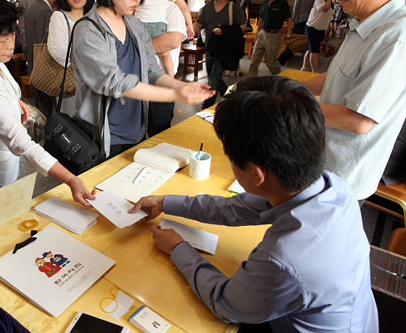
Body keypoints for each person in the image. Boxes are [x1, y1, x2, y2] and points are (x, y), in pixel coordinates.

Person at [130, 76, 379, 331]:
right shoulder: (332, 186)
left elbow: (225, 303)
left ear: (256, 174)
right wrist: (167, 202)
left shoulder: (284, 258)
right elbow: (237, 208)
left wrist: (178, 249)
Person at [0, 0, 95, 206]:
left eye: (13, 33)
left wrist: (13, 102)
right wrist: (71, 179)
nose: (11, 45)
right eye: (2, 40)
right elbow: (21, 142)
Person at [71, 0, 215, 159]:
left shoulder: (134, 24)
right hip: (103, 137)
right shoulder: (87, 30)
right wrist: (175, 95)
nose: (136, 1)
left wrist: (181, 86)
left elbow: (152, 71)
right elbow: (114, 82)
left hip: (136, 131)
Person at [304, 0, 406, 204]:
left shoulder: (396, 35)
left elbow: (359, 120)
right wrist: (282, 88)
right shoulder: (362, 21)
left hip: (341, 176)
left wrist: (285, 104)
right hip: (320, 159)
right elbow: (334, 76)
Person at [194, 0, 246, 109]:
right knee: (213, 77)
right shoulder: (206, 8)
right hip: (210, 49)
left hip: (224, 50)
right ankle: (230, 95)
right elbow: (199, 23)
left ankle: (206, 106)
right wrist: (191, 29)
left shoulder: (234, 8)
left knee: (214, 77)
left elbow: (242, 27)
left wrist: (224, 31)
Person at [147, 1, 187, 137]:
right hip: (136, 79)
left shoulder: (171, 8)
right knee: (134, 133)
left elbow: (173, 40)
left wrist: (135, 48)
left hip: (162, 82)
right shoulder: (132, 8)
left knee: (159, 131)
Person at [47, 0, 93, 115]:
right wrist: (90, 56)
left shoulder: (92, 17)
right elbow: (58, 51)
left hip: (94, 81)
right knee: (73, 124)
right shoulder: (59, 17)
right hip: (72, 82)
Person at [134, 0, 193, 77]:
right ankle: (171, 78)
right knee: (165, 54)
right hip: (158, 24)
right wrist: (189, 24)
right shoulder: (172, 6)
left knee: (135, 50)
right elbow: (183, 5)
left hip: (139, 22)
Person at [24, 0, 56, 118]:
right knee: (47, 109)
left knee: (41, 107)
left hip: (34, 64)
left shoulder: (32, 7)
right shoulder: (45, 10)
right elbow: (45, 42)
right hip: (44, 67)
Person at [248, 0, 292, 76]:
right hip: (262, 34)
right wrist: (256, 35)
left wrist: (288, 36)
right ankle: (251, 81)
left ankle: (279, 80)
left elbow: (289, 19)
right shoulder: (264, 2)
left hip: (273, 35)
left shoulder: (282, 2)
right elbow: (261, 19)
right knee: (254, 61)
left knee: (270, 63)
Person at [301, 0, 334, 73]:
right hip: (312, 27)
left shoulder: (330, 3)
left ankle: (304, 67)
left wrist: (327, 27)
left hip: (321, 29)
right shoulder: (319, 0)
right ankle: (315, 71)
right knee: (314, 50)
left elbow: (328, 15)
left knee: (311, 49)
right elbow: (325, 9)